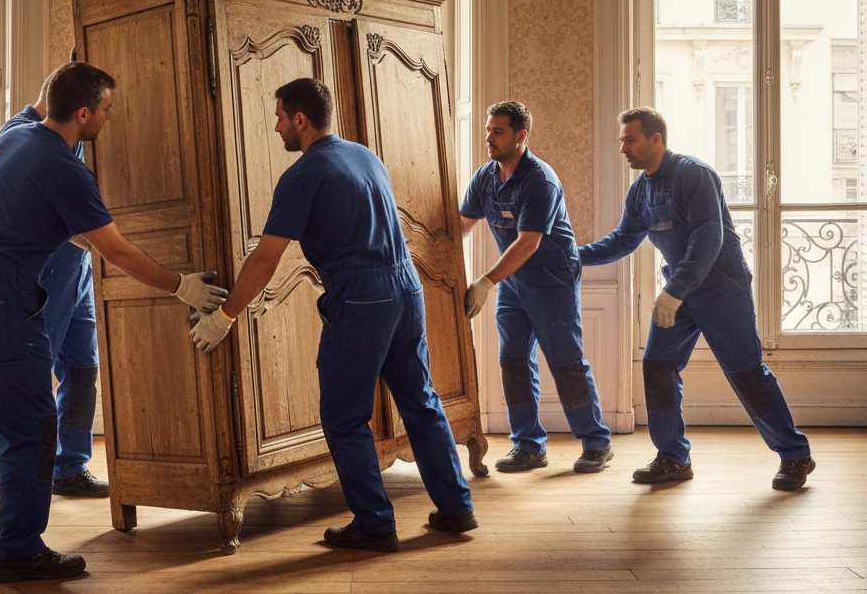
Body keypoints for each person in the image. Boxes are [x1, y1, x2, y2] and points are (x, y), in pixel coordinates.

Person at [0, 61, 227, 582]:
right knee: (32, 427)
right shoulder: (64, 167)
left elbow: (78, 233)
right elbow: (115, 250)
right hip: (2, 303)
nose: (110, 117)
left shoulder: (14, 136)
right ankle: (19, 550)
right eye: (106, 110)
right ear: (83, 114)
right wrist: (181, 285)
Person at [189, 77, 476, 552]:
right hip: (406, 288)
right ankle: (457, 506)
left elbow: (265, 258)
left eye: (280, 116)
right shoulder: (365, 155)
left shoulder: (302, 176)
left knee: (344, 418)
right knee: (421, 401)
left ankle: (375, 524)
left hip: (362, 298)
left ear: (300, 119)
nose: (277, 126)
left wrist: (225, 316)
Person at [579, 107, 814, 490]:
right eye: (622, 140)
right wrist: (576, 256)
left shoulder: (694, 174)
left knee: (746, 372)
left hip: (722, 288)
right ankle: (673, 458)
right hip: (680, 292)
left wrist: (672, 293)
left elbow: (709, 239)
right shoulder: (641, 189)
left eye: (630, 139)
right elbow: (623, 239)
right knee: (657, 364)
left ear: (656, 139)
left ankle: (795, 455)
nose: (623, 148)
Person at [460, 101, 613, 474]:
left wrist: (484, 282)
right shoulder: (485, 177)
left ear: (520, 136)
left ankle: (596, 443)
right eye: (487, 130)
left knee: (565, 362)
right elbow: (460, 225)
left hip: (552, 280)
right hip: (513, 283)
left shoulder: (539, 179)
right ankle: (528, 446)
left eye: (498, 132)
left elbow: (528, 242)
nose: (489, 138)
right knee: (512, 360)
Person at [0, 74, 107, 498]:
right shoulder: (23, 132)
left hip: (76, 268)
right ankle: (24, 475)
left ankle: (70, 466)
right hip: (47, 270)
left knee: (83, 368)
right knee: (34, 372)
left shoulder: (75, 136)